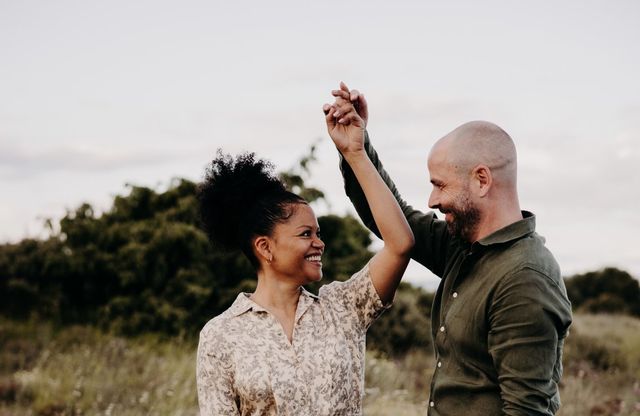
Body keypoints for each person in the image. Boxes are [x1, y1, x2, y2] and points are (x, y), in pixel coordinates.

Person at [332, 82, 572, 415]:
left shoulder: (525, 279)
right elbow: (393, 219)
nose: (432, 201)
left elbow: (526, 410)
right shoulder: (464, 246)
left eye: (439, 185)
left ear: (482, 180)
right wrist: (357, 151)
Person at [195, 100, 414, 415]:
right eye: (305, 234)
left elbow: (400, 244)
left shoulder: (343, 308)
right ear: (265, 247)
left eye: (318, 233)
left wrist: (355, 153)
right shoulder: (220, 335)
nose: (319, 243)